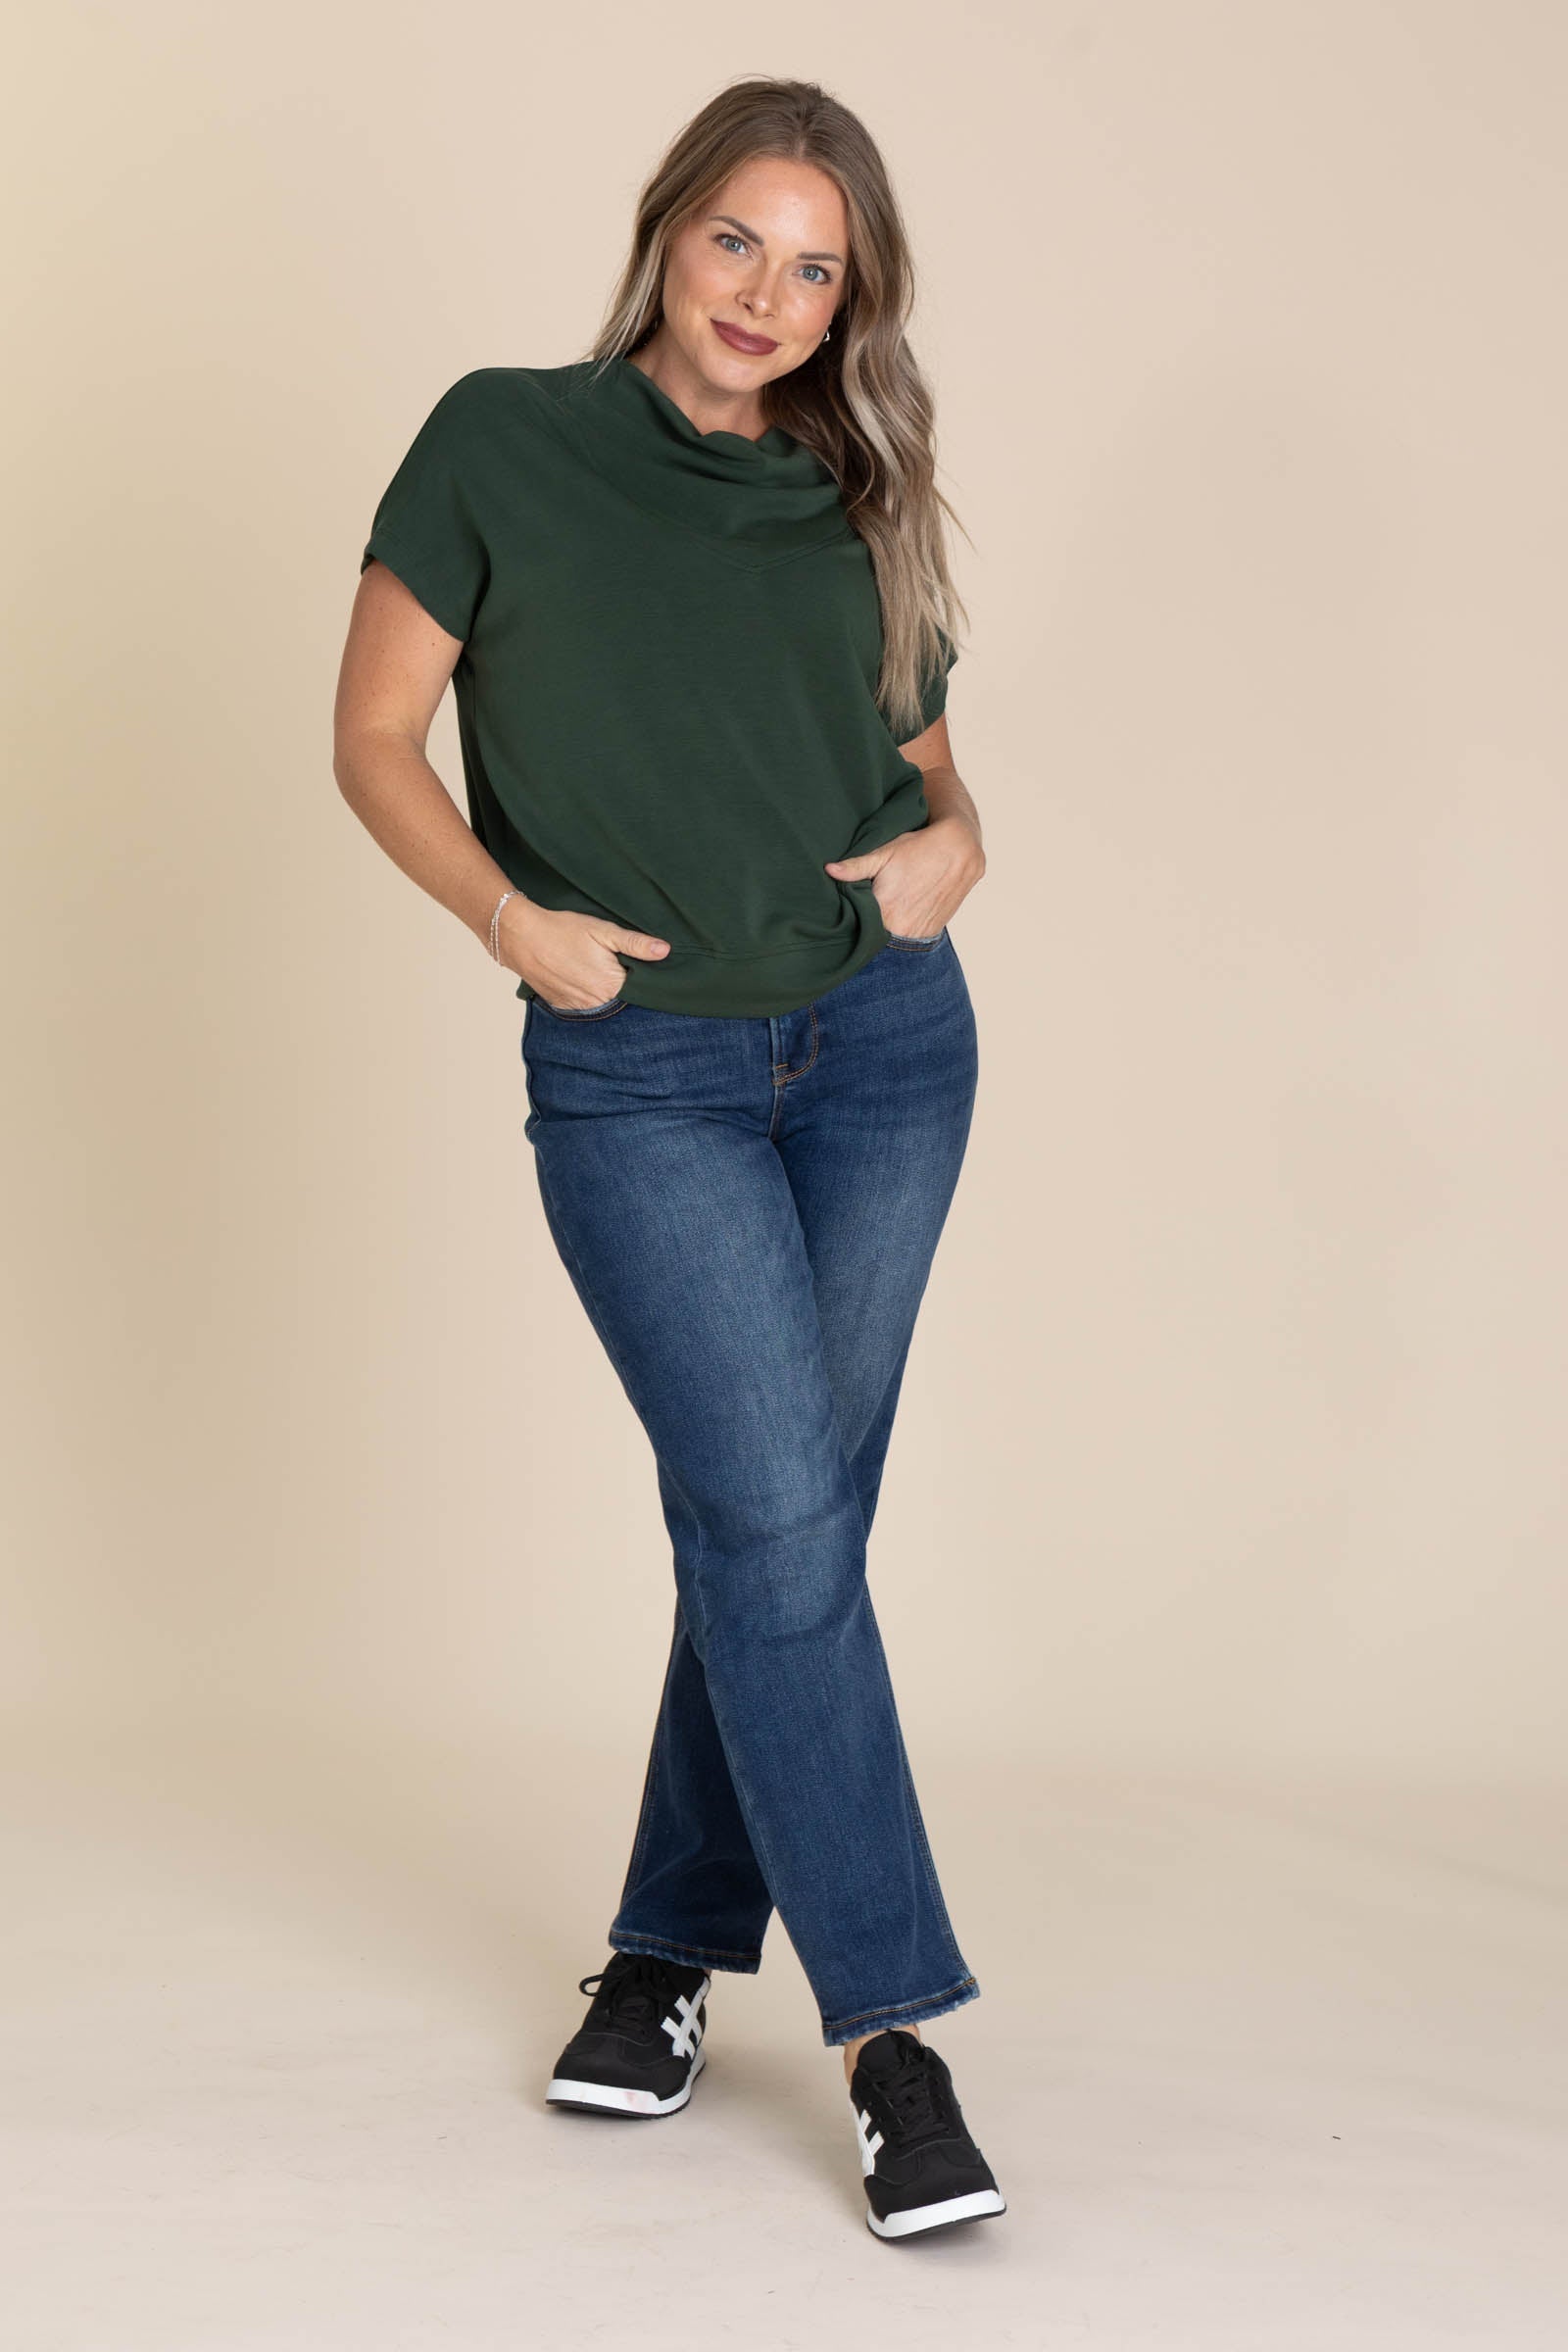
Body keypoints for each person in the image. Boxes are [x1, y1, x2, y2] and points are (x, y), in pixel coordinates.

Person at [332, 74, 1004, 2242]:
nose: (767, 297)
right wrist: (502, 919)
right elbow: (370, 734)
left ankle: (660, 1958)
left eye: (816, 271)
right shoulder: (499, 440)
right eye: (739, 241)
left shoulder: (854, 487)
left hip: (883, 1054)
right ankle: (894, 2042)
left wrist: (962, 845)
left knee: (776, 1528)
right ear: (665, 227)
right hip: (645, 1080)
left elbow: (925, 766)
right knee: (779, 1521)